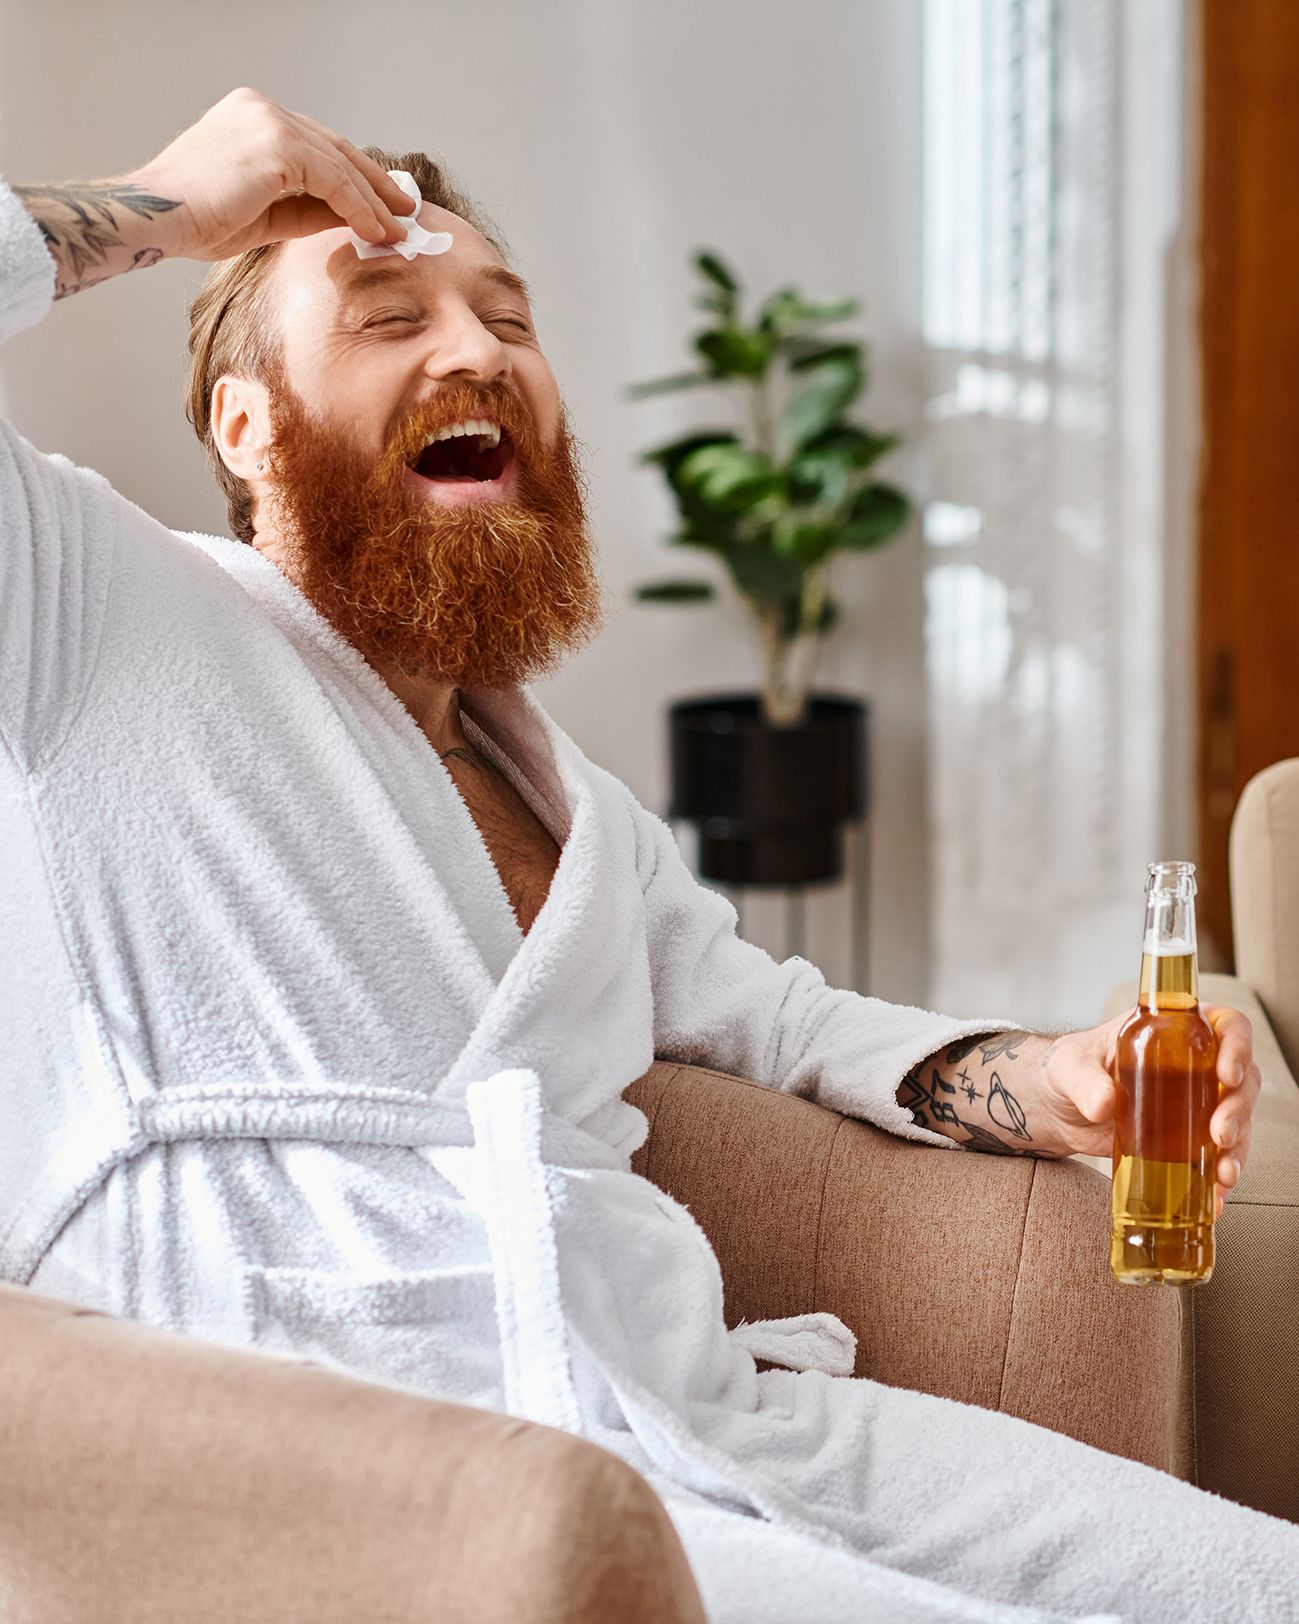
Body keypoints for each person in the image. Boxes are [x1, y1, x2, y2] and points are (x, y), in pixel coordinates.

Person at [0, 89, 1288, 1624]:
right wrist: (168, 203)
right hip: (370, 1456)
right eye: (384, 314)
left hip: (697, 1415)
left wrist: (1058, 1078)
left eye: (507, 318)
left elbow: (787, 1024)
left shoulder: (579, 811)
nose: (475, 353)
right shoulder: (95, 613)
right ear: (245, 422)